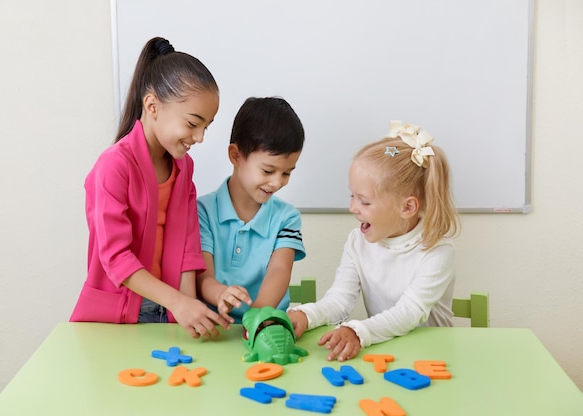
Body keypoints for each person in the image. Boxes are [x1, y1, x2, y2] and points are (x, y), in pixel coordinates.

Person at [70, 37, 230, 339]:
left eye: (206, 126)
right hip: (115, 318)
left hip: (168, 311)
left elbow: (187, 246)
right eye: (193, 123)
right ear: (152, 105)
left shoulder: (184, 168)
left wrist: (188, 308)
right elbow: (116, 258)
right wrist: (179, 303)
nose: (200, 137)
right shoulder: (113, 166)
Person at [288, 120, 460, 361]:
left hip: (433, 358)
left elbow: (410, 312)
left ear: (407, 207)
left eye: (364, 201)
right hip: (386, 353)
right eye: (352, 196)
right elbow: (340, 299)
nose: (352, 208)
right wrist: (307, 315)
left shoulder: (437, 252)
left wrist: (359, 331)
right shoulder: (357, 242)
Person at [196, 97, 307, 324]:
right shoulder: (202, 211)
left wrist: (255, 319)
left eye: (286, 173)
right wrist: (219, 294)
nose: (277, 183)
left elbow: (279, 271)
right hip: (215, 328)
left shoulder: (287, 218)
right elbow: (202, 275)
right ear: (235, 156)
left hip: (263, 324)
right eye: (268, 171)